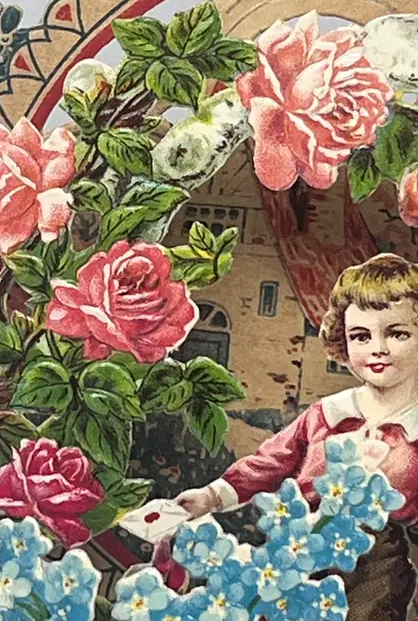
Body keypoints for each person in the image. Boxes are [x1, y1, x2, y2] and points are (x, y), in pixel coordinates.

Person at [176, 253, 418, 621]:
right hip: (297, 547)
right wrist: (210, 497)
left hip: (374, 565)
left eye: (397, 333)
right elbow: (270, 463)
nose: (377, 348)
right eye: (361, 336)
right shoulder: (328, 414)